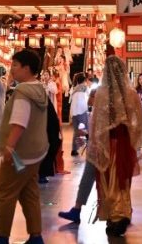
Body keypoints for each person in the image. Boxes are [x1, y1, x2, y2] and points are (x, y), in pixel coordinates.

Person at [0, 49, 48, 244]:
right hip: (36, 152)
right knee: (29, 193)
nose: (11, 69)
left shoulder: (22, 92)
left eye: (15, 65)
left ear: (27, 68)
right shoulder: (40, 89)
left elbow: (19, 122)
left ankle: (2, 237)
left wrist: (9, 147)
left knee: (6, 193)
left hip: (18, 154)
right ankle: (36, 236)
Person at [87, 55, 142, 237]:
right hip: (123, 141)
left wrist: (98, 140)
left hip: (107, 142)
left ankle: (113, 216)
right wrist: (132, 135)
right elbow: (138, 121)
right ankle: (122, 213)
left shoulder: (101, 94)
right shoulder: (130, 94)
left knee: (108, 179)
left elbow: (96, 122)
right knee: (122, 178)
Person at [58, 88, 97, 224]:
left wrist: (86, 134)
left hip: (98, 153)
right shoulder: (94, 113)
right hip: (96, 152)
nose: (89, 99)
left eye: (91, 96)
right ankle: (76, 209)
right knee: (88, 181)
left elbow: (99, 134)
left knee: (92, 181)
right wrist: (86, 134)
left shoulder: (99, 113)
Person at [70, 73, 89, 156]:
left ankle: (74, 150)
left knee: (76, 131)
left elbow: (70, 100)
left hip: (74, 112)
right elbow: (89, 98)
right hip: (82, 110)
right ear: (84, 80)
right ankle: (88, 147)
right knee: (85, 129)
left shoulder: (73, 89)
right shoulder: (85, 88)